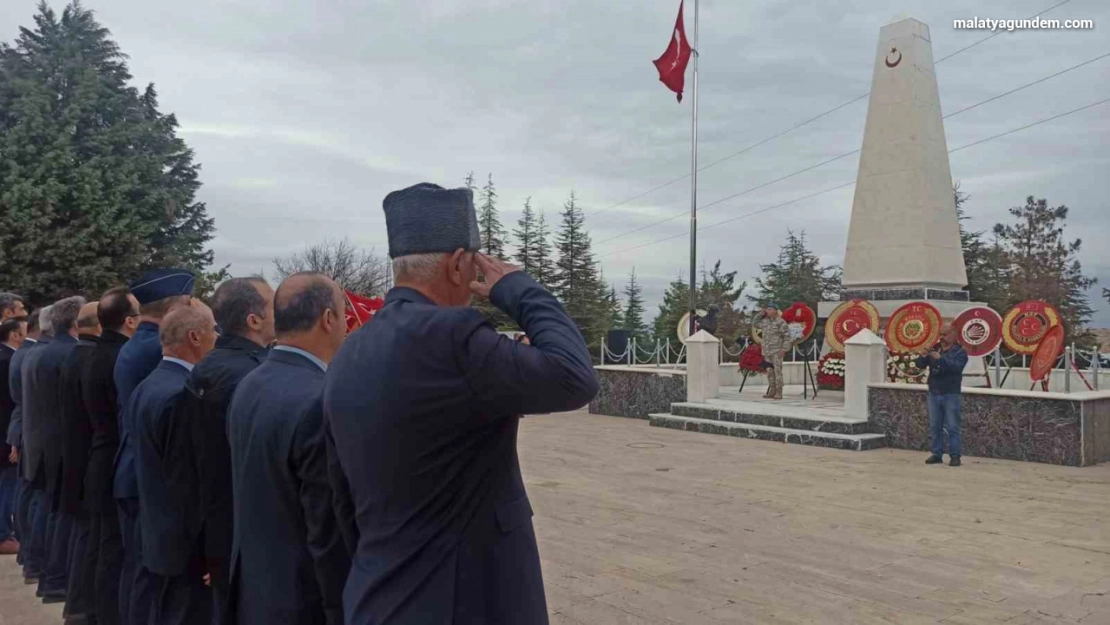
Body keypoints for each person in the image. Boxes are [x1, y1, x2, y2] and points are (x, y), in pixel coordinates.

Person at [325, 182, 599, 625]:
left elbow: (339, 500)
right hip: (465, 602)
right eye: (474, 266)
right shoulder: (453, 337)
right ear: (457, 265)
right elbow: (574, 377)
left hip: (379, 596)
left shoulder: (350, 352)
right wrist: (519, 289)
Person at [226, 273, 349, 625]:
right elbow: (327, 528)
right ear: (328, 320)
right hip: (302, 600)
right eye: (343, 313)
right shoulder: (320, 399)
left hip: (256, 590)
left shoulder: (251, 383)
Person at [181, 277, 274, 620]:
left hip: (215, 527)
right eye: (272, 306)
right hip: (248, 535)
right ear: (254, 320)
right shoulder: (256, 376)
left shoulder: (205, 366)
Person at [114, 268, 195, 624]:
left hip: (133, 467)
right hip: (146, 473)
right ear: (176, 307)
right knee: (151, 578)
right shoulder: (153, 349)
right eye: (189, 301)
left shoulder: (138, 342)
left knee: (140, 572)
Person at [133, 305, 218, 625]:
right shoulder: (179, 394)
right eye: (213, 331)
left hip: (160, 539)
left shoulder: (150, 384)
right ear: (195, 337)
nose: (216, 338)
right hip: (183, 550)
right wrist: (206, 552)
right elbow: (186, 482)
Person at [83, 287, 141, 625]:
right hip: (113, 461)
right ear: (130, 322)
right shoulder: (121, 358)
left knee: (105, 549)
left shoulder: (92, 353)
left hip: (99, 458)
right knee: (114, 552)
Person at [25, 296, 85, 604]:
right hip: (63, 444)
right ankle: (56, 579)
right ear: (76, 324)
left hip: (47, 439)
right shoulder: (69, 353)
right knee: (63, 515)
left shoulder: (42, 352)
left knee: (51, 511)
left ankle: (46, 572)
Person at [57, 302, 101, 620]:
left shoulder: (73, 355)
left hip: (74, 456)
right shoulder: (91, 358)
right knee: (90, 540)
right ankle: (82, 608)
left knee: (84, 537)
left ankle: (78, 606)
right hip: (88, 459)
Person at [9, 307, 44, 582]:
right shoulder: (30, 354)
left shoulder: (23, 353)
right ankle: (31, 556)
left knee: (24, 491)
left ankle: (28, 555)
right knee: (29, 494)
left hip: (24, 428)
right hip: (31, 429)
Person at [917, 325, 969, 467]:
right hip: (934, 392)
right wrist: (922, 355)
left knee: (953, 426)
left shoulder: (960, 352)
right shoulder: (936, 348)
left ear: (954, 335)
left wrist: (940, 360)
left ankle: (955, 455)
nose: (942, 337)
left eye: (945, 334)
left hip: (951, 393)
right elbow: (920, 365)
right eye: (941, 334)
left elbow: (956, 368)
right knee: (935, 426)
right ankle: (936, 453)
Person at [0, 317, 27, 556]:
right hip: (6, 432)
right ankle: (3, 535)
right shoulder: (7, 360)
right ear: (14, 335)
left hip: (6, 430)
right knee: (8, 485)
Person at [758, 304, 790, 400]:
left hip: (777, 351)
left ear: (776, 311)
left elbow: (786, 336)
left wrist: (784, 349)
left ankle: (779, 392)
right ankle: (772, 391)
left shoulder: (780, 322)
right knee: (769, 372)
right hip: (767, 352)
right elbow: (755, 324)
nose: (767, 311)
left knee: (777, 372)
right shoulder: (764, 322)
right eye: (767, 309)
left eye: (770, 309)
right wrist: (760, 314)